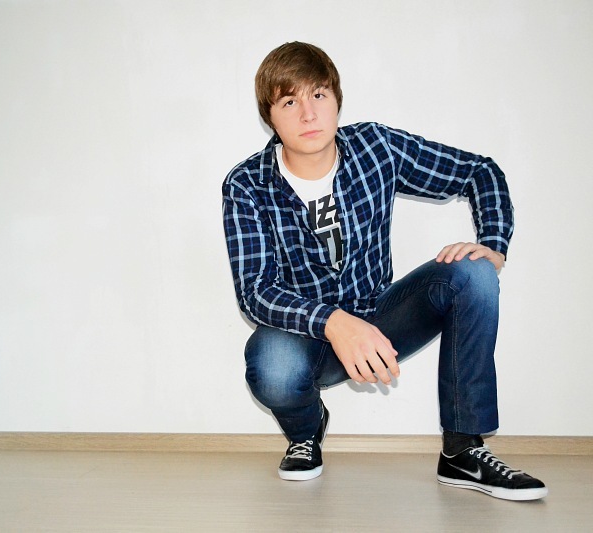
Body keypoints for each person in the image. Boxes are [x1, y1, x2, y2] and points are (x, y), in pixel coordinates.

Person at [221, 41, 547, 501]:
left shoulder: (376, 148)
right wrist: (335, 323)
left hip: (382, 317)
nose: (309, 114)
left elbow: (479, 172)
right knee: (270, 363)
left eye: (318, 95)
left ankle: (462, 451)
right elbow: (256, 291)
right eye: (289, 102)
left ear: (337, 100)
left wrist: (494, 244)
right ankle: (306, 432)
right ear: (270, 117)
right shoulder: (247, 184)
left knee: (473, 273)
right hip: (306, 336)